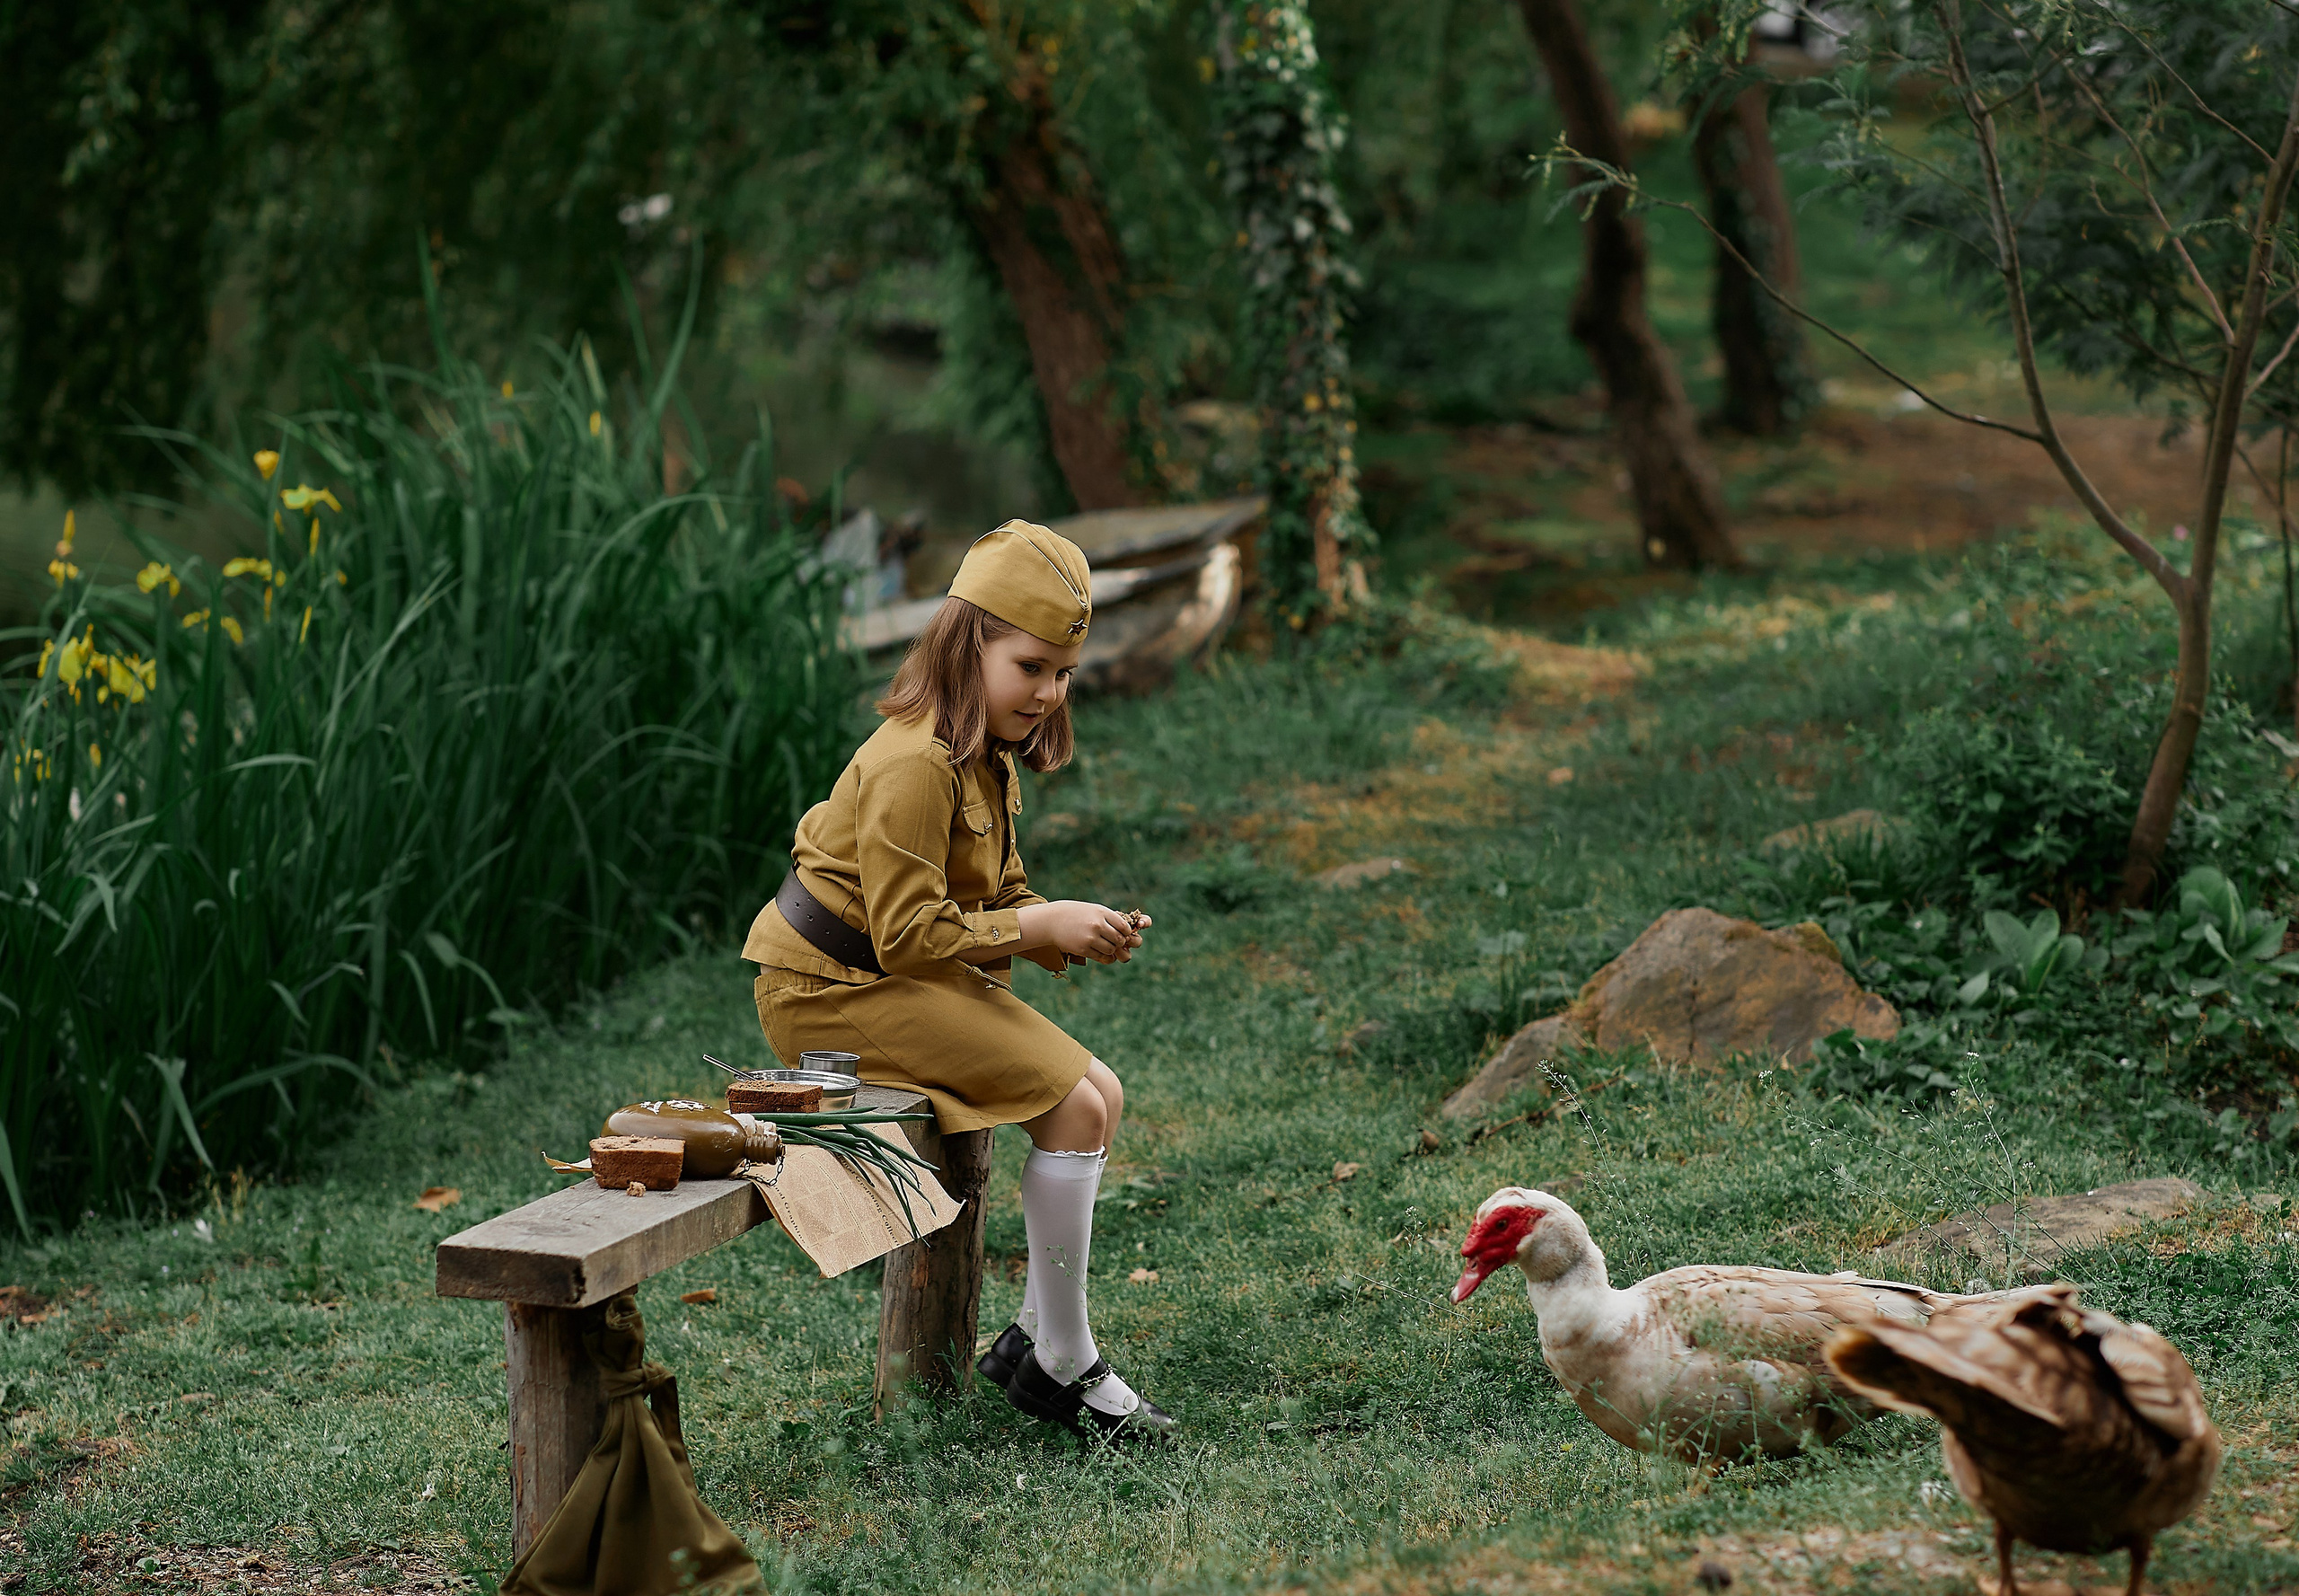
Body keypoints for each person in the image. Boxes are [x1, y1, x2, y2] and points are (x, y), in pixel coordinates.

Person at [743, 519, 1177, 1441]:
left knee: (1099, 1092)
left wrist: (1068, 927)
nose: (1051, 692)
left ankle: (1040, 1335)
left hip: (887, 976)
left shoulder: (977, 752)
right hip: (829, 993)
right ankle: (1062, 1362)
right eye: (1031, 667)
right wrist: (1033, 924)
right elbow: (905, 933)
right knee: (1071, 1103)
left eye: (1064, 673)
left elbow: (992, 894)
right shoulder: (911, 762)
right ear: (967, 639)